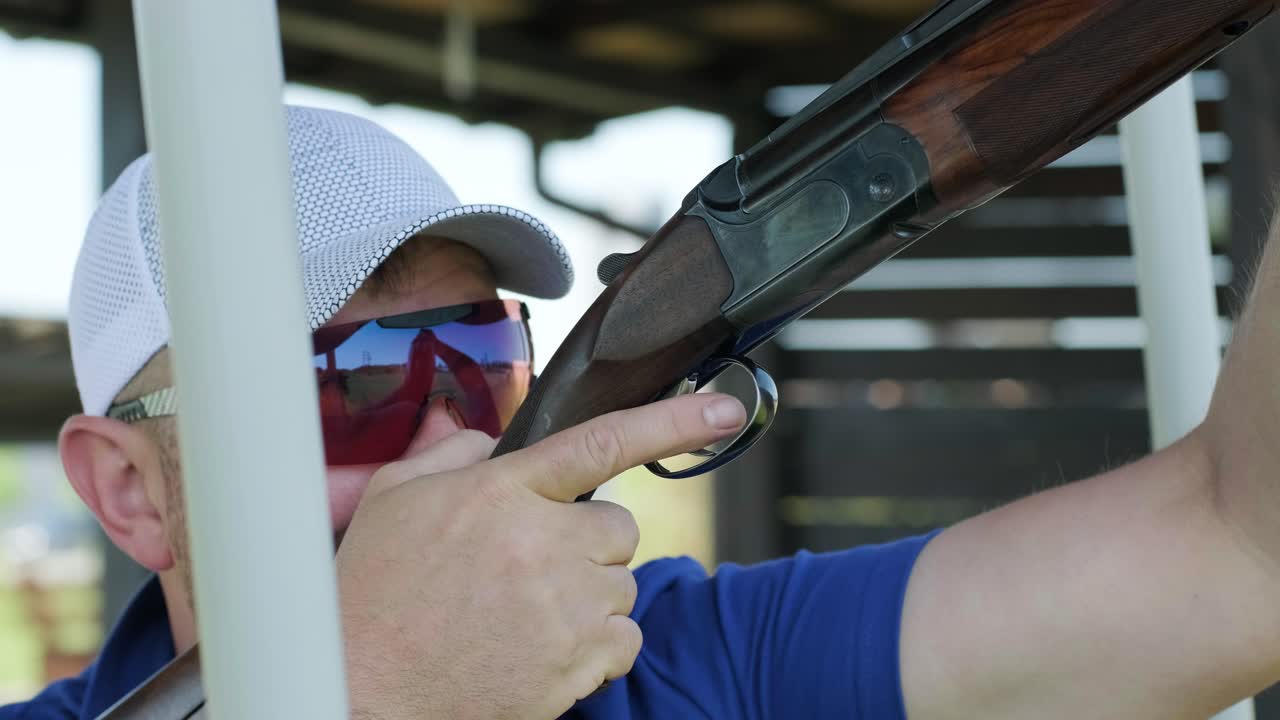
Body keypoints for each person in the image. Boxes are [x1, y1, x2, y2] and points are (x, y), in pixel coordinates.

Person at [4, 104, 1280, 720]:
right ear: (129, 490)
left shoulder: (687, 661)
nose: (450, 437)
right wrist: (383, 693)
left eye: (475, 357)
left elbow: (1241, 553)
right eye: (353, 381)